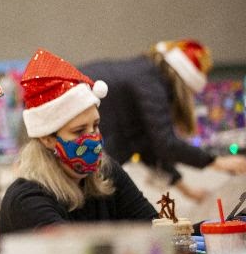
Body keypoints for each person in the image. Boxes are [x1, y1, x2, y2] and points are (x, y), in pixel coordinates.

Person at [0, 49, 158, 236]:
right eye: (79, 131)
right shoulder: (27, 200)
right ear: (47, 138)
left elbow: (153, 229)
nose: (92, 138)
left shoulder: (105, 171)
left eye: (95, 126)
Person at [81, 40, 246, 202]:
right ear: (185, 80)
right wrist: (216, 161)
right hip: (90, 157)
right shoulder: (150, 82)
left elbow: (147, 145)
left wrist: (188, 191)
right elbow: (166, 143)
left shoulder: (146, 73)